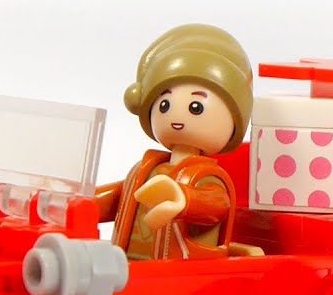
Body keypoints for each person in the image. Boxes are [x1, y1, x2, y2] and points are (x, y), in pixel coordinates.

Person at [96, 24, 253, 260]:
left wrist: (185, 199)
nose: (177, 117)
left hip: (182, 270)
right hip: (126, 264)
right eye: (165, 104)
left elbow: (217, 206)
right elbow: (117, 198)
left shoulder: (208, 179)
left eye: (196, 107)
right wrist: (80, 203)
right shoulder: (147, 169)